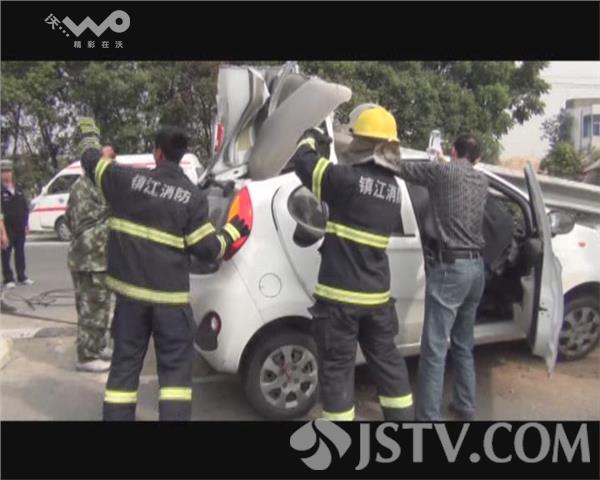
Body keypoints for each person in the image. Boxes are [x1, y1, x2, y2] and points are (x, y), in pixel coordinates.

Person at [79, 120, 249, 421]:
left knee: (123, 370)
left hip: (130, 302)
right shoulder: (192, 197)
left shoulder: (124, 180)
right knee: (175, 380)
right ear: (181, 155)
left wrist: (89, 131)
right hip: (171, 304)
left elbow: (90, 160)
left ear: (157, 152)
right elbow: (207, 250)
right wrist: (233, 232)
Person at [289, 105, 414, 421]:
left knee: (337, 372)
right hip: (377, 300)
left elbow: (305, 164)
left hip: (340, 301)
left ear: (363, 143)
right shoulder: (394, 190)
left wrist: (310, 136)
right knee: (389, 367)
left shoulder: (346, 180)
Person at [395, 134, 488, 421]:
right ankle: (465, 406)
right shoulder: (482, 180)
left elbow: (399, 167)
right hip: (476, 270)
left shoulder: (442, 171)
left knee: (434, 349)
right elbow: (457, 177)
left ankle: (428, 418)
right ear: (478, 158)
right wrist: (442, 161)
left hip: (451, 269)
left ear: (453, 150)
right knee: (463, 343)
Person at [65, 120, 113, 373]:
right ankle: (87, 356)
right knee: (95, 307)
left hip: (80, 256)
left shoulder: (77, 185)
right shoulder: (101, 184)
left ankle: (96, 345)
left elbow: (69, 219)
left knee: (88, 306)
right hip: (95, 258)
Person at [1, 159, 33, 288]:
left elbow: (24, 207)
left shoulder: (18, 188)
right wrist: (2, 233)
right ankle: (8, 278)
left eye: (8, 171)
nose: (6, 174)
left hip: (19, 226)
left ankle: (22, 276)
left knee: (20, 252)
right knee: (6, 253)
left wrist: (26, 223)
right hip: (6, 227)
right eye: (3, 171)